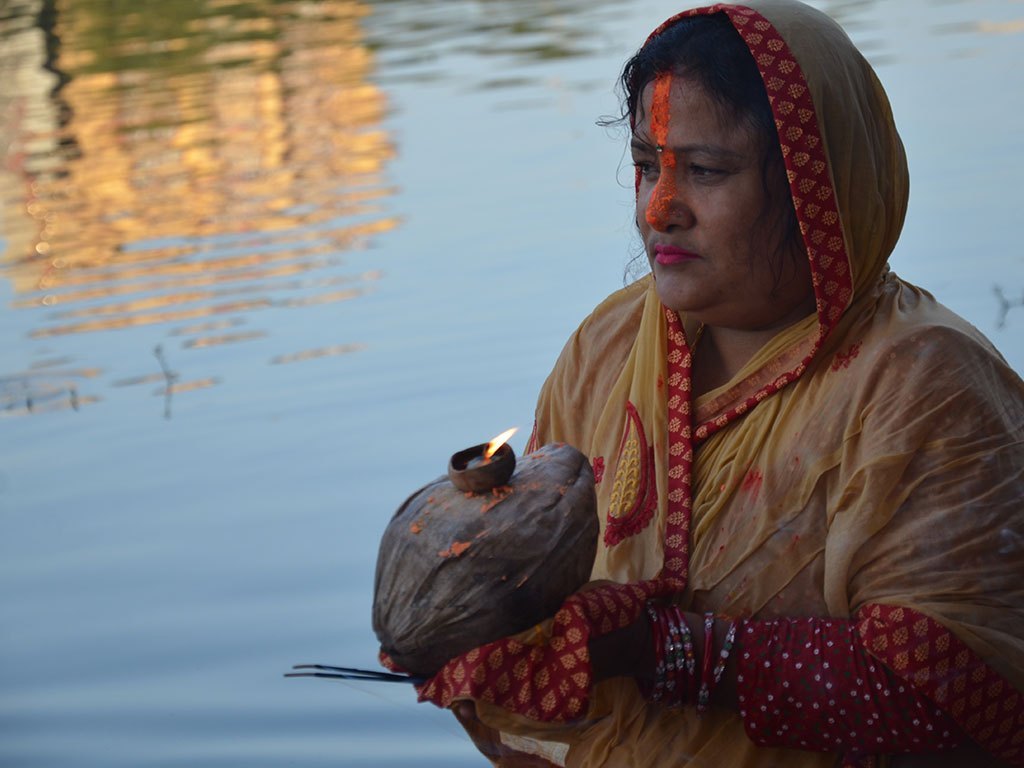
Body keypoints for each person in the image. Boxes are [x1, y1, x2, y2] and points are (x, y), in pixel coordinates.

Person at [399, 1, 1024, 765]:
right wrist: (464, 617)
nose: (659, 209)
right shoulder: (606, 345)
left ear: (817, 187)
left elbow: (960, 704)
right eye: (644, 165)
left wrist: (669, 650)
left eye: (705, 170)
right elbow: (536, 581)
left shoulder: (923, 387)